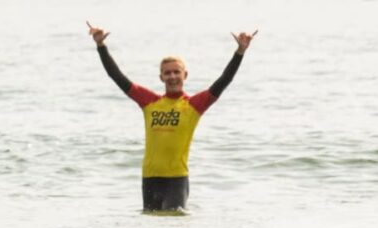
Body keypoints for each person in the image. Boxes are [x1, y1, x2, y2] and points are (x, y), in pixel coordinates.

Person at [87, 21, 257, 212]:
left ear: (185, 75)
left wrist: (240, 51)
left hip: (176, 179)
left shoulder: (194, 105)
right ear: (161, 77)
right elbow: (117, 76)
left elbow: (224, 80)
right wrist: (100, 46)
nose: (172, 76)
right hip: (150, 178)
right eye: (167, 73)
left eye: (177, 72)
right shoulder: (149, 102)